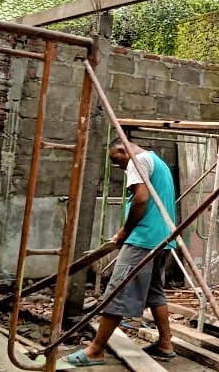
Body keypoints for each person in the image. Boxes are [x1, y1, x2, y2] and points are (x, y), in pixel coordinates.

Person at [66, 139, 177, 366]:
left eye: (118, 161)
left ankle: (95, 350)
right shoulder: (158, 161)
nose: (121, 168)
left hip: (143, 239)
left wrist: (125, 231)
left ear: (122, 150)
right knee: (155, 292)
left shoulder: (138, 161)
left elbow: (141, 199)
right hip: (163, 238)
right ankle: (166, 344)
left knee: (117, 291)